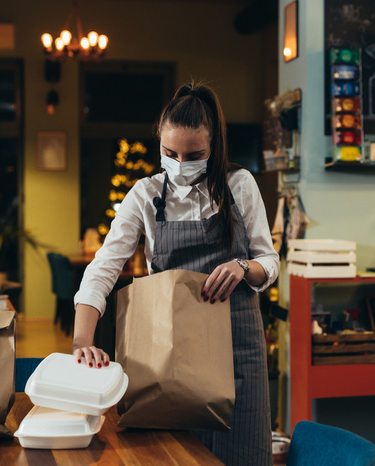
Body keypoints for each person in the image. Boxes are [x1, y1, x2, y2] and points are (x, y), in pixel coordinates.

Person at [72, 82, 280, 465]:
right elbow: (103, 267)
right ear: (160, 145)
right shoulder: (144, 195)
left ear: (213, 146)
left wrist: (241, 266)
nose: (181, 163)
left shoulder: (239, 185)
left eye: (194, 154)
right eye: (170, 153)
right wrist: (82, 338)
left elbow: (269, 262)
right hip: (170, 353)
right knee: (173, 457)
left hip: (237, 353)